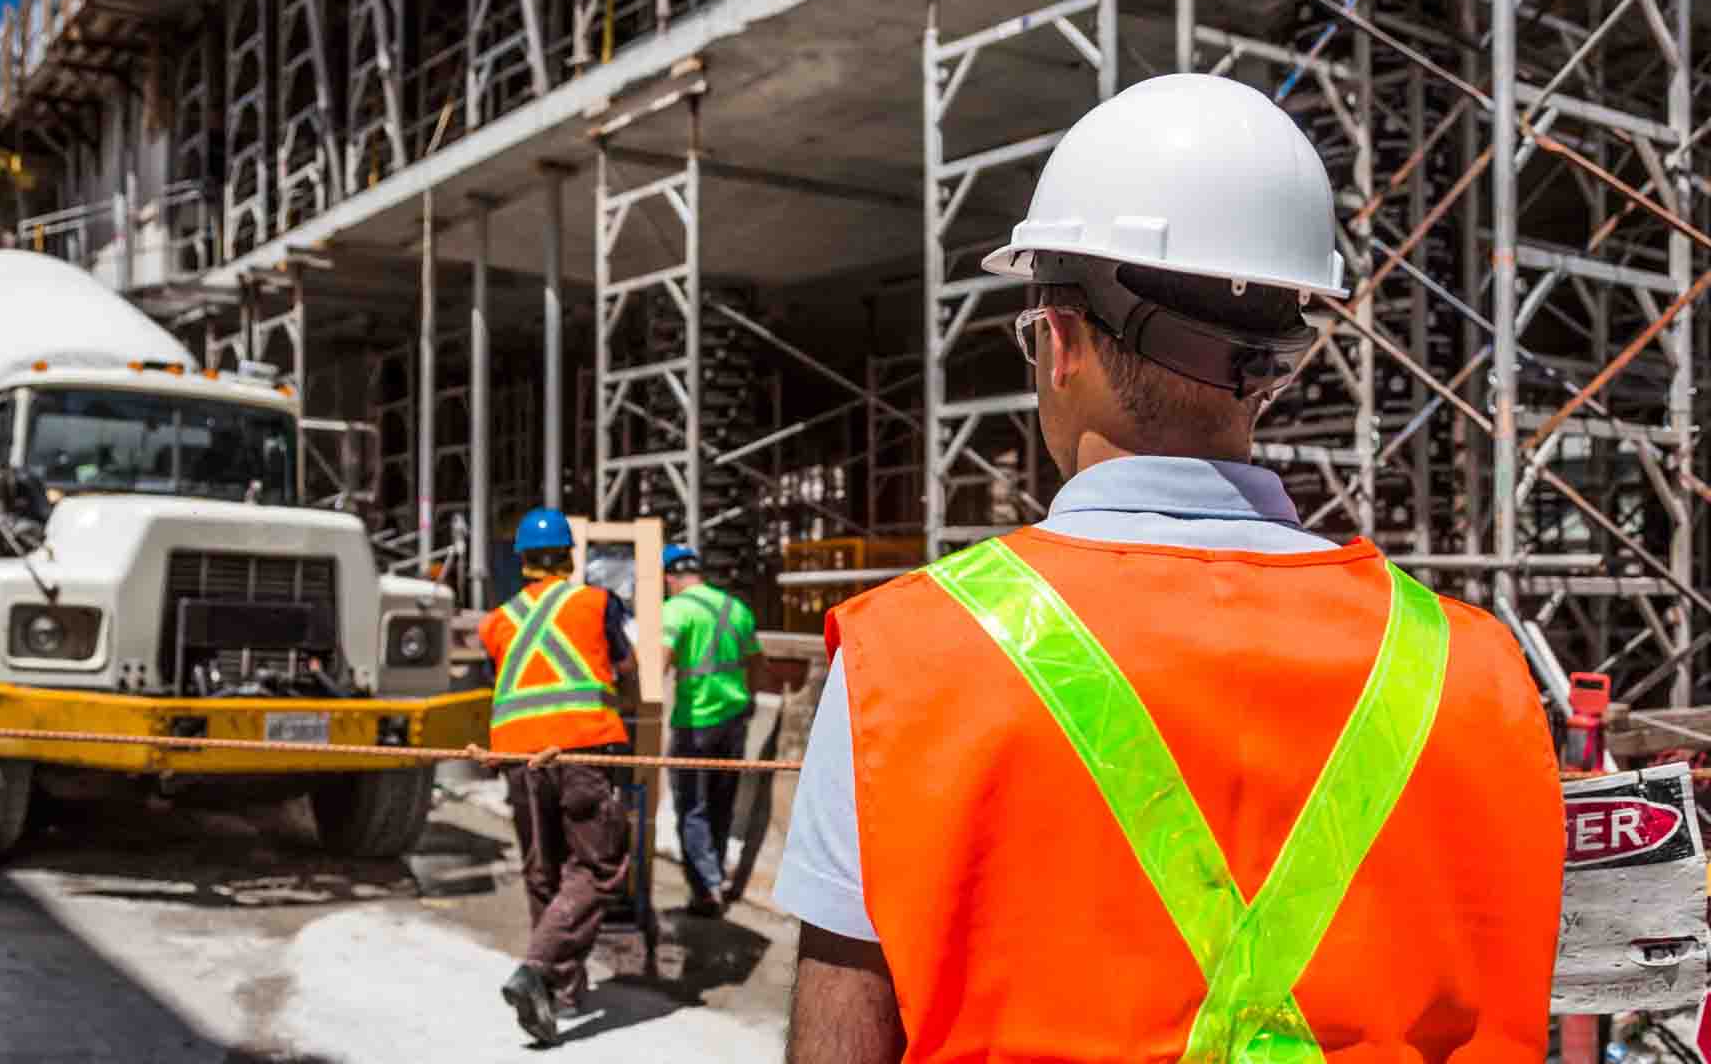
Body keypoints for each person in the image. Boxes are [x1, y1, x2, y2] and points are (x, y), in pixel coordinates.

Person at [775, 73, 1563, 1063]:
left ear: (1058, 342)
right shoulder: (1478, 667)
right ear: (1274, 364)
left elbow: (844, 1028)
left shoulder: (905, 660)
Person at [478, 507, 638, 1047]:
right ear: (571, 557)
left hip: (521, 760)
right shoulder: (595, 602)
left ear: (522, 560)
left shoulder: (497, 621)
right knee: (598, 868)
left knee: (543, 870)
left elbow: (501, 684)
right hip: (580, 750)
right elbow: (626, 665)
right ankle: (538, 968)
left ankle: (561, 991)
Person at [659, 543, 766, 916]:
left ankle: (705, 889)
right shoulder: (736, 609)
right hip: (734, 721)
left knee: (692, 806)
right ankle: (716, 874)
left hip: (695, 723)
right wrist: (748, 700)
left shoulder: (675, 610)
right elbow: (757, 661)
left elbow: (661, 661)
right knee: (722, 803)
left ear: (670, 578)